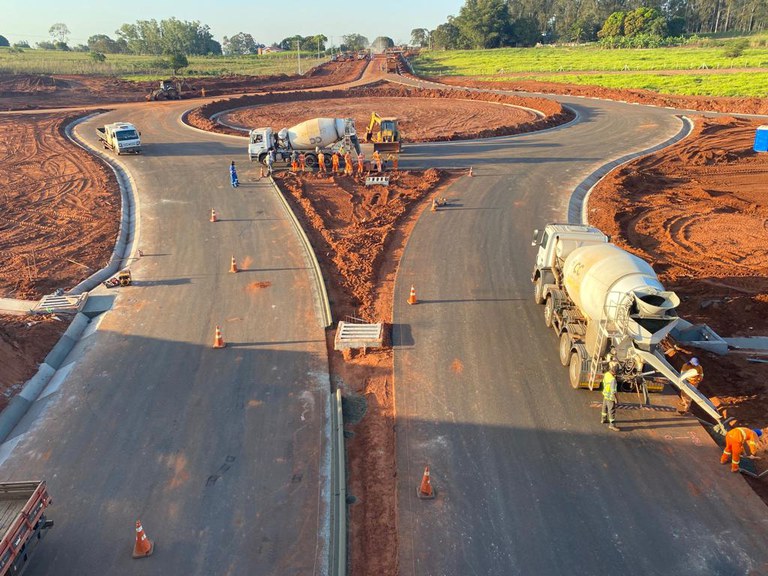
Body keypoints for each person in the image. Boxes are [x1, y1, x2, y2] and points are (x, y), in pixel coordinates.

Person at [600, 364, 620, 432]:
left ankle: (603, 419)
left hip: (605, 394)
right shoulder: (613, 379)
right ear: (615, 372)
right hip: (610, 397)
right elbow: (613, 391)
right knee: (611, 411)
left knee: (604, 407)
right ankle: (612, 425)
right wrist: (617, 399)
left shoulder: (606, 374)